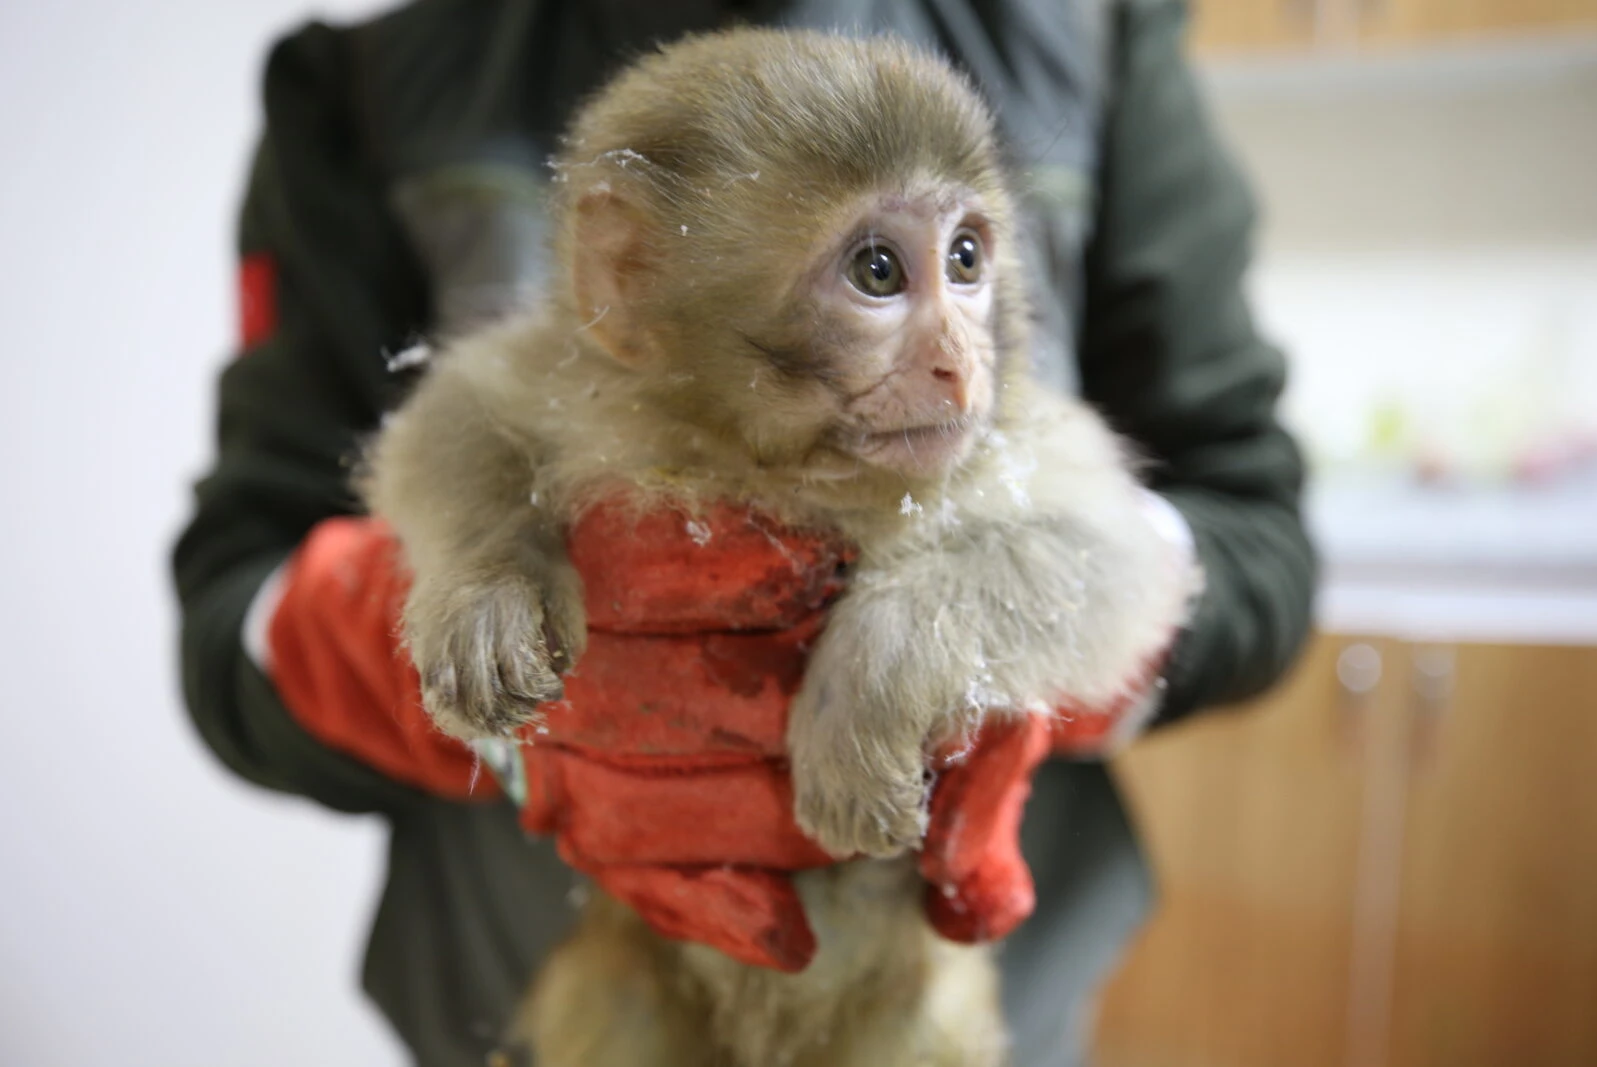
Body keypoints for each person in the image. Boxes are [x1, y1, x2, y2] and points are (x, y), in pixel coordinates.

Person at [171, 1, 1317, 1064]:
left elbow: (1249, 536)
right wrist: (428, 627)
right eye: (879, 270)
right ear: (626, 275)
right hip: (540, 1000)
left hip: (961, 999)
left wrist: (990, 636)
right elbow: (242, 607)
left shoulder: (1079, 28)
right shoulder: (378, 81)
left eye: (968, 258)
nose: (959, 365)